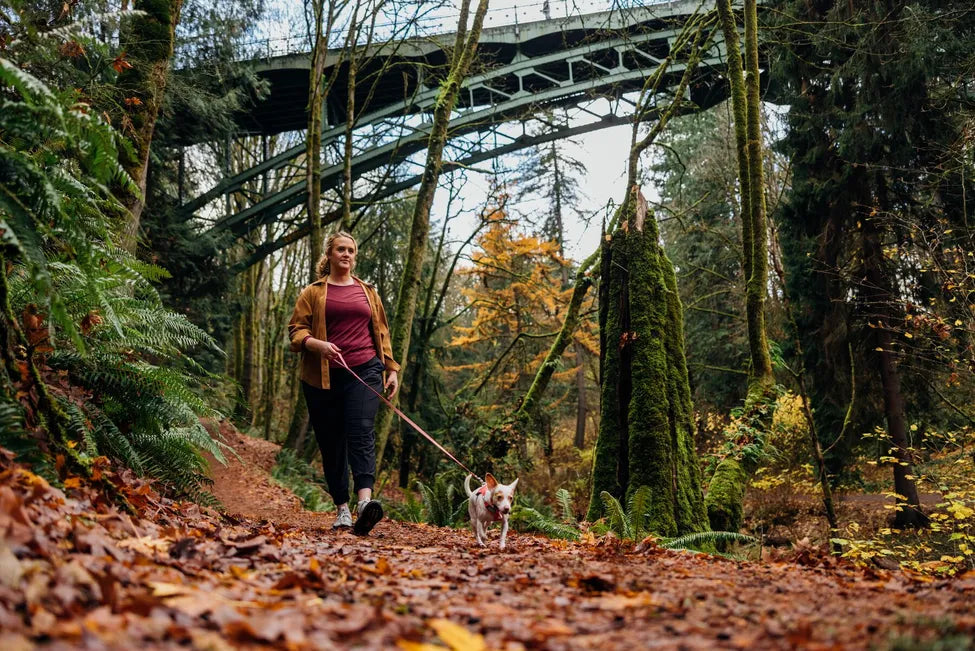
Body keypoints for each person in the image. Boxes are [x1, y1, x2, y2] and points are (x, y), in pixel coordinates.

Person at [288, 231, 399, 535]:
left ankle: (365, 503)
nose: (346, 254)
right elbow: (296, 331)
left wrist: (391, 368)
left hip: (365, 371)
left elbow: (382, 332)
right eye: (340, 249)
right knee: (332, 442)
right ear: (329, 254)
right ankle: (342, 509)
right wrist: (317, 344)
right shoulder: (312, 293)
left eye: (351, 250)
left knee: (361, 429)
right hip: (321, 378)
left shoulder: (368, 292)